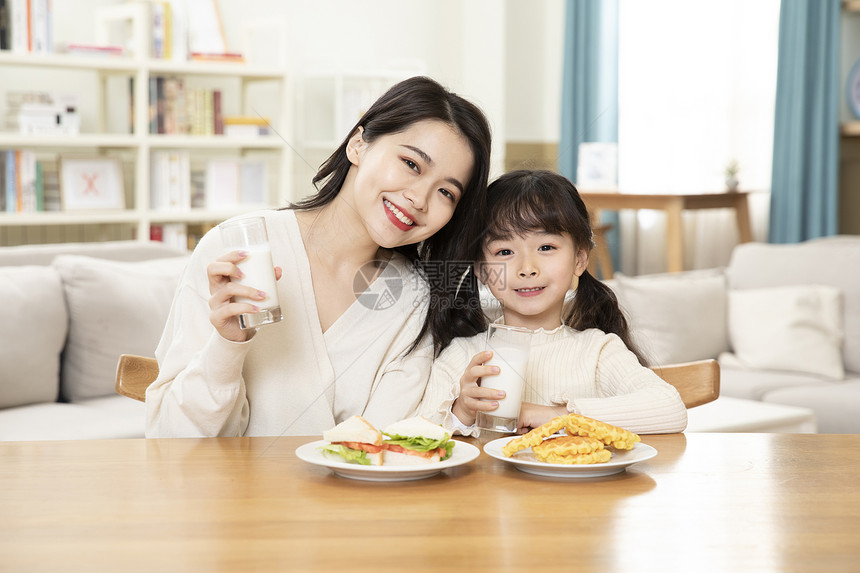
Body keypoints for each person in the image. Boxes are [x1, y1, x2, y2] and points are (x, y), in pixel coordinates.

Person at [146, 76, 492, 438]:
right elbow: (169, 439)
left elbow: (383, 449)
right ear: (358, 145)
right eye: (411, 164)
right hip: (224, 494)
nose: (420, 198)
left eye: (446, 192)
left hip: (347, 495)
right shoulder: (236, 252)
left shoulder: (418, 300)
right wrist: (228, 345)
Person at [419, 169, 687, 435]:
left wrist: (559, 417)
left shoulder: (596, 352)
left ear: (580, 259)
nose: (527, 267)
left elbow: (670, 409)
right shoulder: (466, 355)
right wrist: (462, 413)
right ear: (482, 270)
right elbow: (418, 434)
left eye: (546, 247)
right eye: (504, 251)